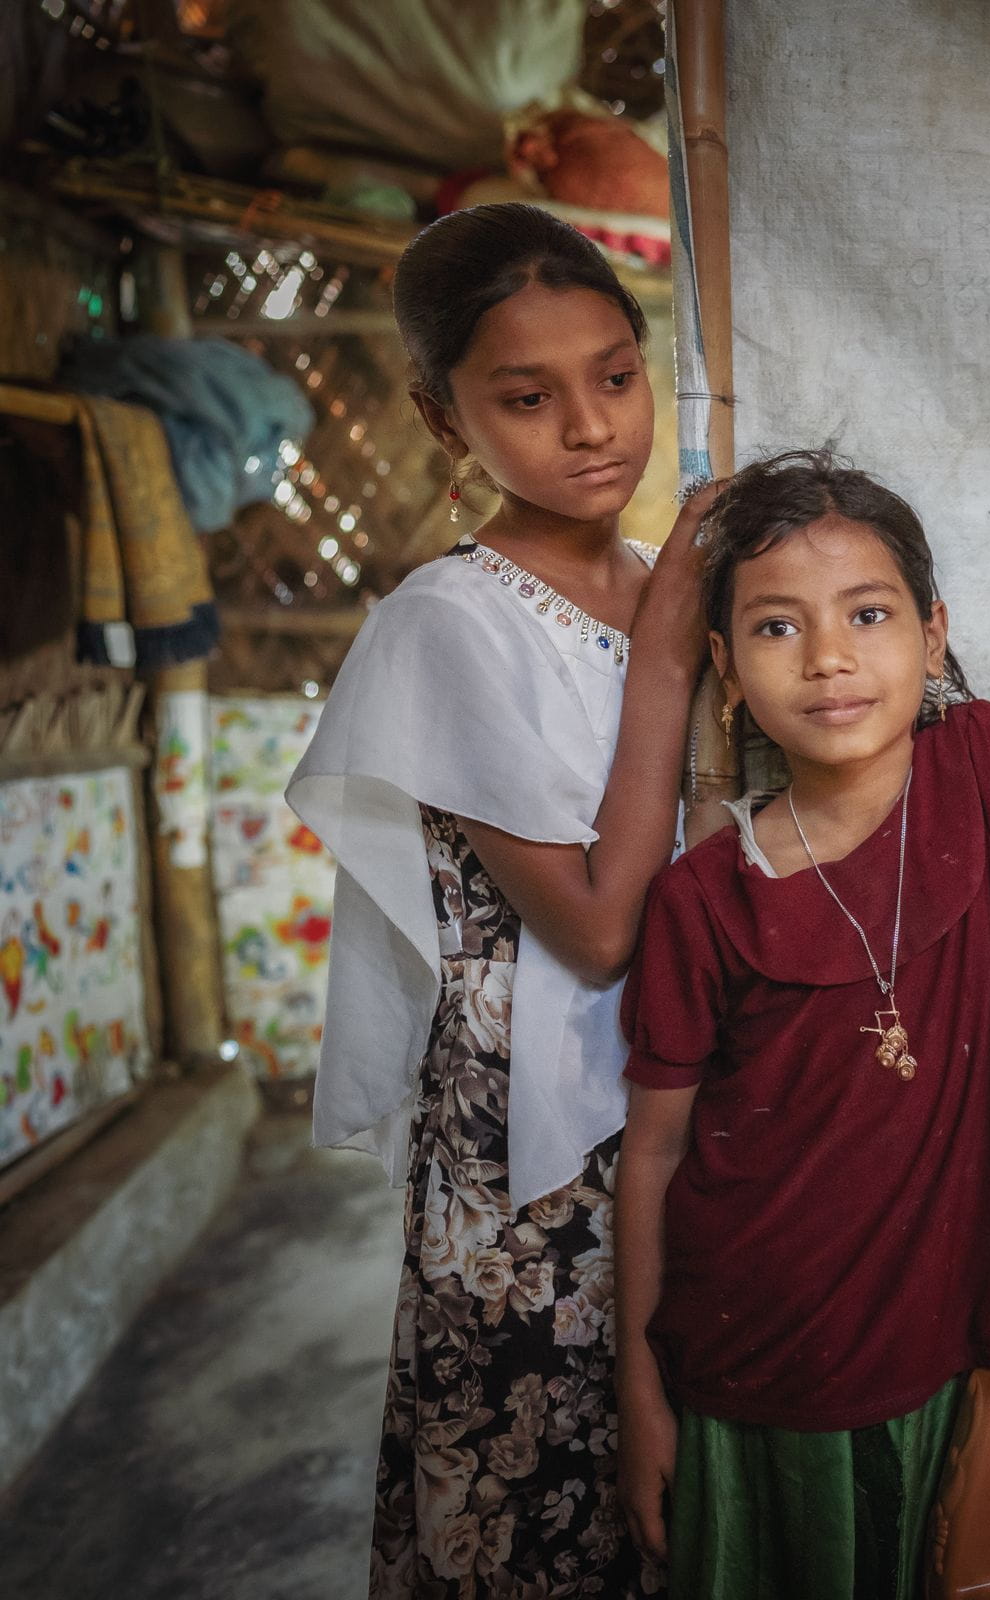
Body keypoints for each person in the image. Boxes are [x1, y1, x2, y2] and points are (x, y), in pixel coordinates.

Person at [611, 449, 990, 1600]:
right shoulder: (703, 900)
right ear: (725, 666)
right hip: (750, 1362)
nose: (829, 656)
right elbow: (652, 1156)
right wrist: (640, 1394)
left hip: (943, 1331)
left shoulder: (986, 765)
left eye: (867, 612)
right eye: (774, 628)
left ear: (932, 633)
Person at [288, 202, 717, 1599]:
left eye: (612, 374)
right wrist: (666, 660)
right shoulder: (449, 622)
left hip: (667, 1102)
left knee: (671, 1495)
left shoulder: (661, 586)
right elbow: (595, 924)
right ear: (436, 411)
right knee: (540, 1502)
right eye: (524, 399)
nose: (589, 427)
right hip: (531, 1165)